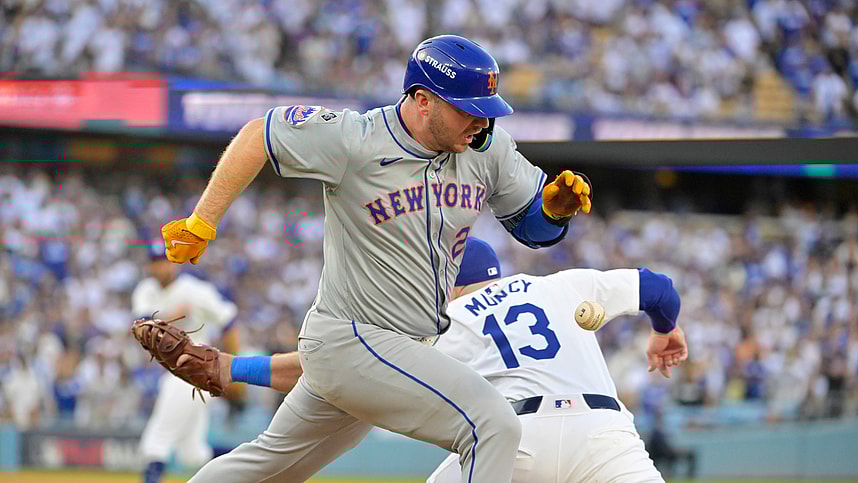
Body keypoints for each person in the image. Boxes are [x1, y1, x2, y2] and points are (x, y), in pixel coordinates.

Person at [160, 34, 592, 483]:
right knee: (492, 425)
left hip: (390, 354)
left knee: (268, 467)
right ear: (423, 101)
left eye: (487, 112)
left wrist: (552, 210)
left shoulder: (488, 150)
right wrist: (202, 220)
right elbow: (258, 136)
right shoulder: (356, 139)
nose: (481, 124)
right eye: (468, 110)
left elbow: (531, 228)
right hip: (353, 339)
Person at [426, 237, 688, 482]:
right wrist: (665, 329)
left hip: (516, 437)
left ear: (449, 283)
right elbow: (660, 289)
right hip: (603, 434)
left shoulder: (448, 320)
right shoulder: (560, 285)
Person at [132, 243, 239, 483]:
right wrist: (171, 317)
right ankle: (251, 458)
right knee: (192, 454)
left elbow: (229, 320)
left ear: (175, 263)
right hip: (168, 372)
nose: (160, 266)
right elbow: (140, 328)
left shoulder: (195, 291)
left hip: (193, 370)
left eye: (165, 260)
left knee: (155, 441)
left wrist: (233, 369)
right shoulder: (146, 290)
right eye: (155, 261)